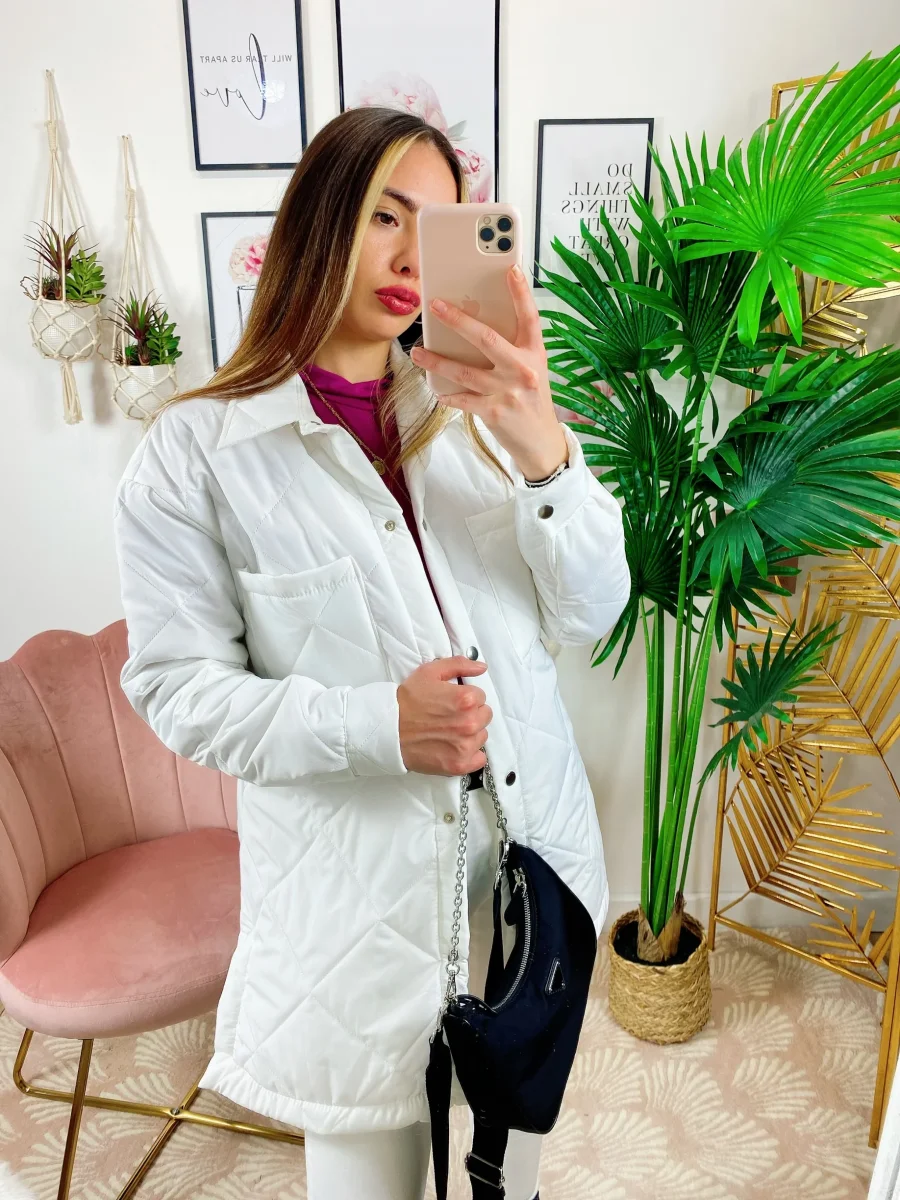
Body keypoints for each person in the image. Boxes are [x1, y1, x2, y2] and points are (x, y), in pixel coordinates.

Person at [113, 105, 630, 1200]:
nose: (409, 258)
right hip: (356, 921)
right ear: (319, 219)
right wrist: (379, 725)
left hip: (528, 880)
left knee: (508, 1176)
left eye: (437, 228)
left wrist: (544, 447)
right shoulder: (196, 454)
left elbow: (591, 612)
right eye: (385, 215)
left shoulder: (483, 419)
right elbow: (177, 689)